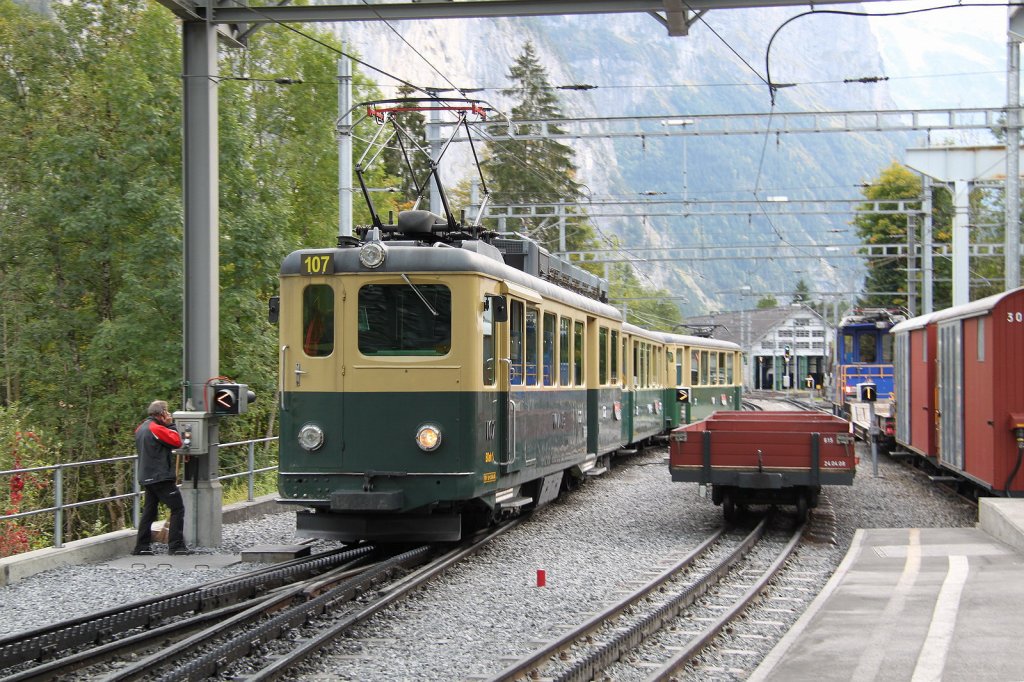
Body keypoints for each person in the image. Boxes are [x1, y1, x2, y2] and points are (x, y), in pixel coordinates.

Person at [132, 400, 191, 556]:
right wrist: (171, 425)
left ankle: (142, 546)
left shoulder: (141, 428)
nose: (169, 414)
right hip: (160, 477)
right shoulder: (156, 428)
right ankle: (176, 546)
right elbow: (177, 441)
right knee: (178, 508)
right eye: (167, 411)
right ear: (163, 413)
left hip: (147, 476)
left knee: (149, 512)